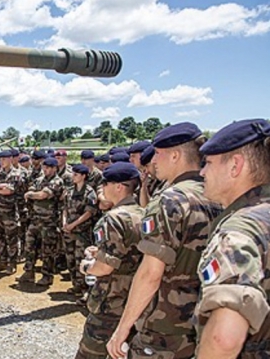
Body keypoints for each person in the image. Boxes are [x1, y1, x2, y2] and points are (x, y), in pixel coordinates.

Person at [107, 122, 223, 359]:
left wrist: (122, 328)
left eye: (158, 153)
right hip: (200, 318)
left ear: (176, 156)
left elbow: (151, 272)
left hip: (164, 322)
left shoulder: (170, 199)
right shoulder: (215, 194)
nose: (154, 161)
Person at [194, 119, 270, 358]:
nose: (201, 172)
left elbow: (224, 340)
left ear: (235, 165)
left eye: (208, 163)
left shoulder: (238, 233)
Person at [75, 162, 144, 359]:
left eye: (105, 185)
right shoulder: (142, 213)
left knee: (90, 354)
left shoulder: (113, 218)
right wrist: (101, 252)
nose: (102, 189)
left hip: (110, 300)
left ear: (118, 187)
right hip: (133, 298)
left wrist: (88, 267)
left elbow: (104, 268)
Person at [18, 157, 64, 286]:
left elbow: (42, 195)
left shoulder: (57, 181)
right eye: (44, 167)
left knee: (47, 250)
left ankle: (47, 275)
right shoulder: (39, 179)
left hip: (49, 221)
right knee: (29, 246)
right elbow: (30, 190)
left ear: (55, 168)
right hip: (35, 219)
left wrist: (32, 195)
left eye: (49, 167)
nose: (46, 170)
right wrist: (33, 194)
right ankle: (29, 272)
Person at [62, 164, 98, 299]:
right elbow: (64, 208)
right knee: (70, 259)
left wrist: (73, 225)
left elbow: (89, 213)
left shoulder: (90, 193)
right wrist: (65, 223)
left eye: (76, 174)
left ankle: (84, 290)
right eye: (73, 174)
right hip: (69, 231)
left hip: (82, 232)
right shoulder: (69, 191)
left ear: (83, 176)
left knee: (81, 261)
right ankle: (75, 285)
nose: (73, 176)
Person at [0, 150, 21, 275]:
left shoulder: (16, 174)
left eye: (5, 159)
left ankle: (12, 263)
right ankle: (2, 260)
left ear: (11, 159)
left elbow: (9, 190)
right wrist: (0, 187)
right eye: (0, 159)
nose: (2, 161)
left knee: (11, 238)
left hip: (10, 211)